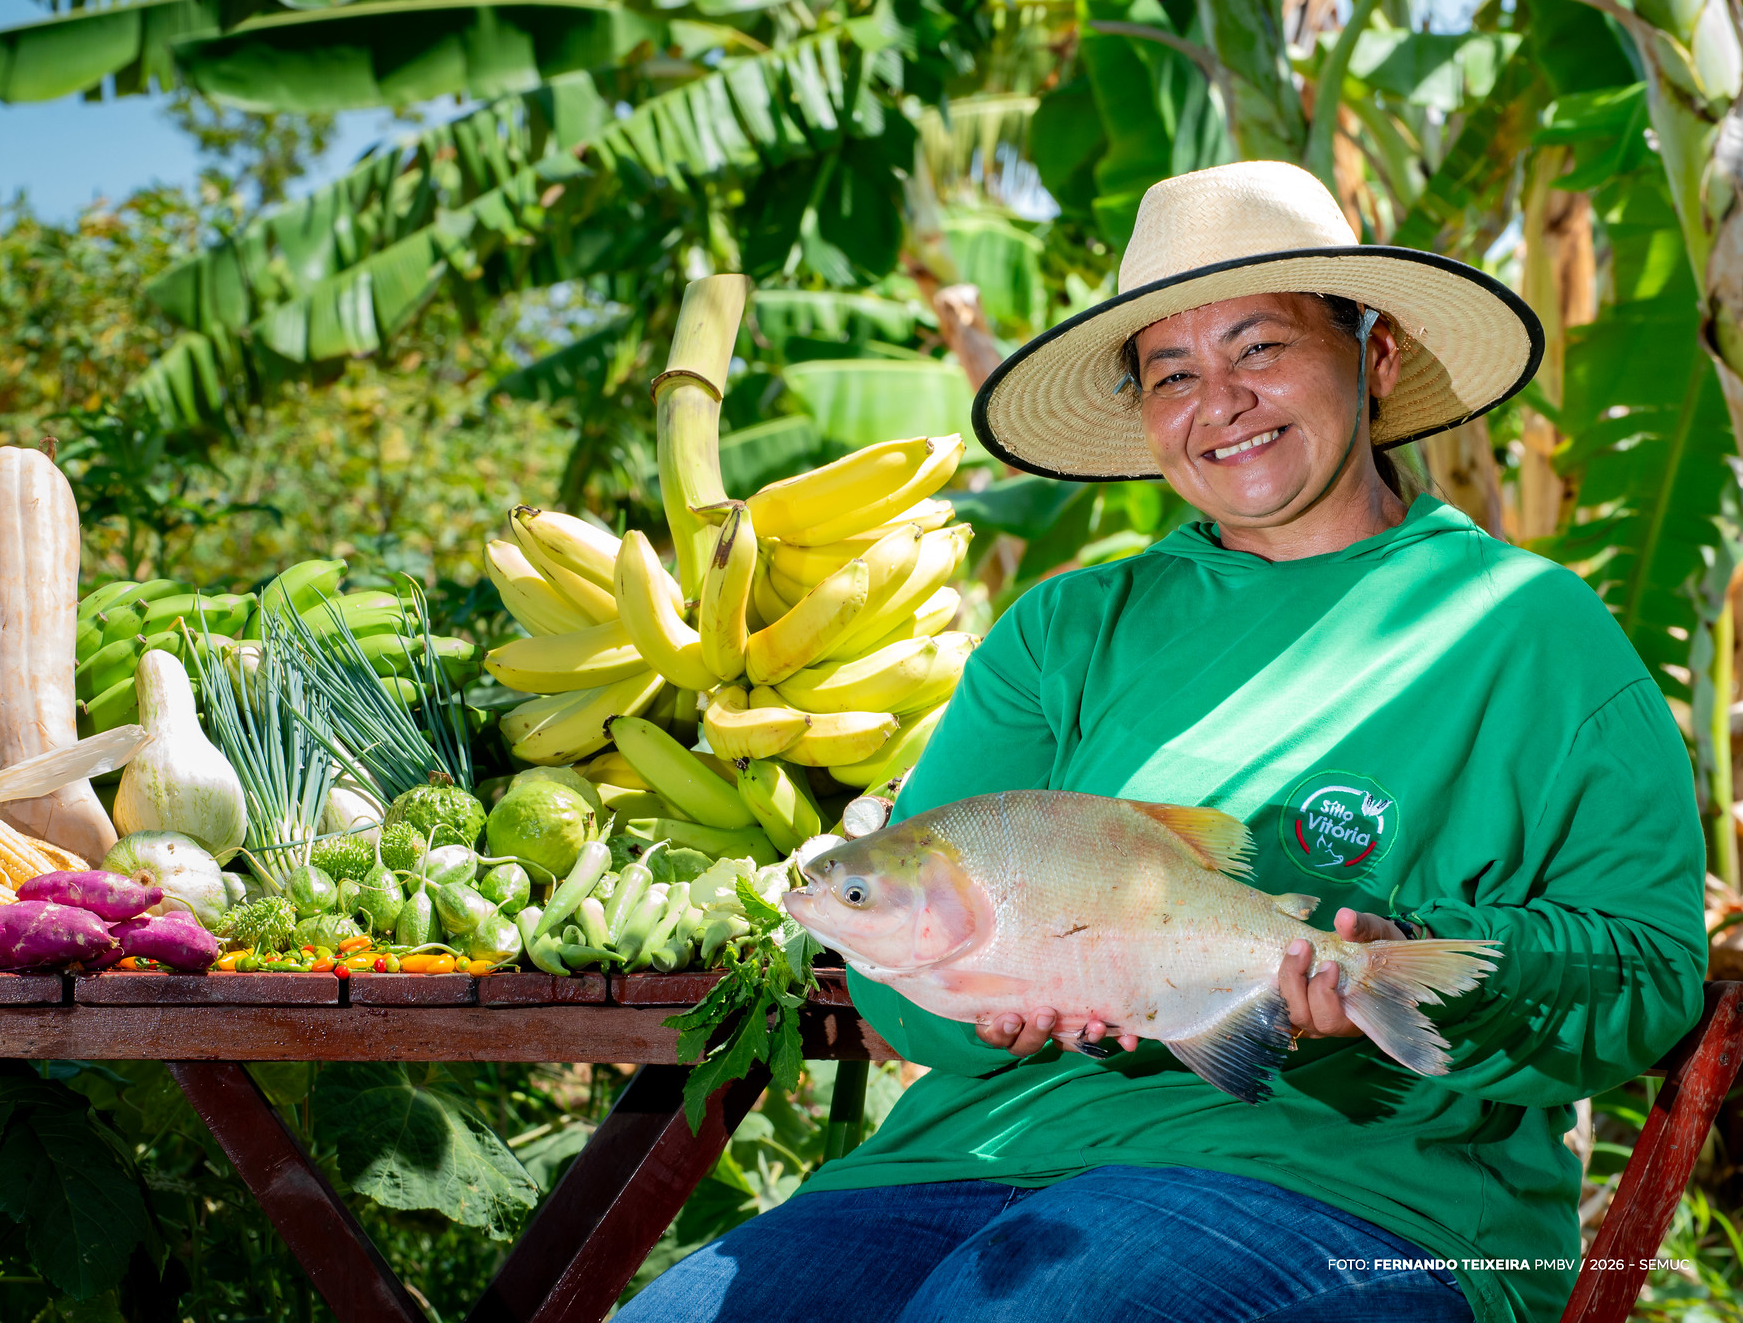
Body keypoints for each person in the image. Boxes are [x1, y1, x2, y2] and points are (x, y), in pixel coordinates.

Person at [616, 161, 1709, 1323]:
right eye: (1171, 372)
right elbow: (900, 993)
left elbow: (1642, 973)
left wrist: (1409, 954)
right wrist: (977, 1003)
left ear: (1373, 354)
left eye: (1259, 348)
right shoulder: (1065, 628)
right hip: (959, 1165)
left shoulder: (1523, 629)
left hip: (1359, 1193)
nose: (1219, 401)